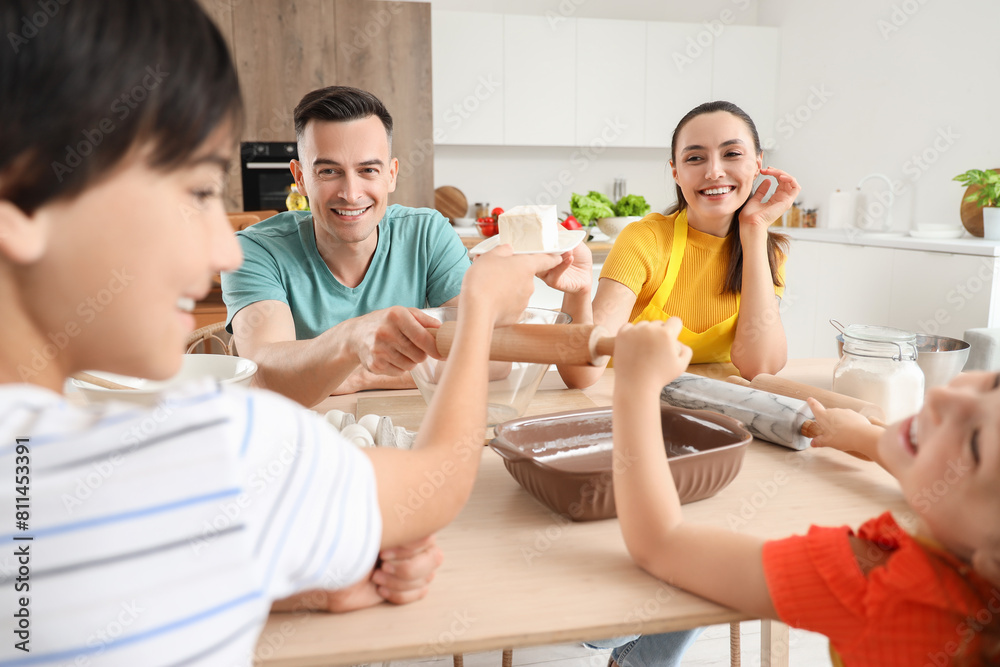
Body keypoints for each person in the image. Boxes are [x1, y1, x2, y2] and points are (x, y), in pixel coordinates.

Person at [0, 1, 562, 663]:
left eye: (368, 170)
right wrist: (482, 303)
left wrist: (278, 580)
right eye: (197, 191)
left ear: (392, 174)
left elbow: (67, 592)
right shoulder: (222, 447)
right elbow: (434, 480)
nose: (225, 251)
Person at [609, 318, 1000, 666]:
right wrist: (864, 436)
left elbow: (661, 543)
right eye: (993, 384)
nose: (948, 395)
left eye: (975, 443)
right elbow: (943, 481)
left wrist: (636, 384)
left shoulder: (883, 590)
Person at [222, 86, 471, 405]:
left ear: (391, 175)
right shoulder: (255, 249)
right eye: (329, 171)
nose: (351, 194)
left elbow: (490, 355)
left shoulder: (428, 233)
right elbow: (265, 375)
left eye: (368, 170)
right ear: (300, 177)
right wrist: (355, 340)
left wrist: (359, 374)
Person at [547, 101, 799, 391]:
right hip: (628, 402)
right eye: (695, 158)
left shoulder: (768, 252)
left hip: (715, 409)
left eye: (731, 154)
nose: (714, 171)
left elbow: (760, 368)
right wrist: (579, 292)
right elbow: (580, 376)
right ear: (676, 172)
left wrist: (754, 231)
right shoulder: (645, 240)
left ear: (757, 164)